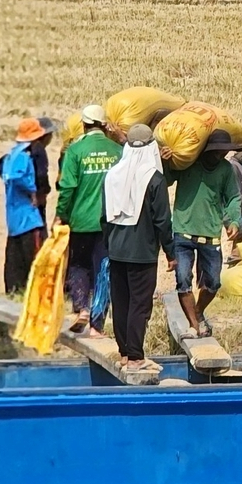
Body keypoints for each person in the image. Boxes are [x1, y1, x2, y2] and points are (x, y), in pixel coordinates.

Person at [102, 124, 173, 380]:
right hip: (142, 252)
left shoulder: (112, 175)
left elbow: (104, 217)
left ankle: (124, 353)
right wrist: (171, 252)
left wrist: (109, 245)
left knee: (121, 302)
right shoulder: (154, 179)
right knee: (140, 305)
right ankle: (135, 357)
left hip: (116, 250)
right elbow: (163, 221)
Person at [56, 104, 121, 334]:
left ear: (83, 125)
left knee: (79, 265)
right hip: (110, 221)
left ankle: (82, 307)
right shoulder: (117, 151)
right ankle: (97, 325)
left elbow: (67, 187)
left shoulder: (75, 151)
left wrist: (60, 215)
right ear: (104, 126)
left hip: (81, 220)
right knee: (103, 270)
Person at [172, 128, 241, 337]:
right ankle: (194, 325)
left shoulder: (225, 169)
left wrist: (234, 221)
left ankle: (199, 311)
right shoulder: (188, 162)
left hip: (210, 234)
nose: (221, 155)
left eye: (224, 152)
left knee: (213, 282)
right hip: (182, 231)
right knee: (183, 279)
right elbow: (165, 177)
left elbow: (233, 198)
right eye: (217, 151)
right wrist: (167, 159)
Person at [0, 117, 53, 296]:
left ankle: (14, 293)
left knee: (14, 259)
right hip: (28, 217)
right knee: (34, 260)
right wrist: (32, 191)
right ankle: (33, 294)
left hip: (13, 217)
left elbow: (2, 169)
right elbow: (18, 177)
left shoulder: (12, 153)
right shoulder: (28, 154)